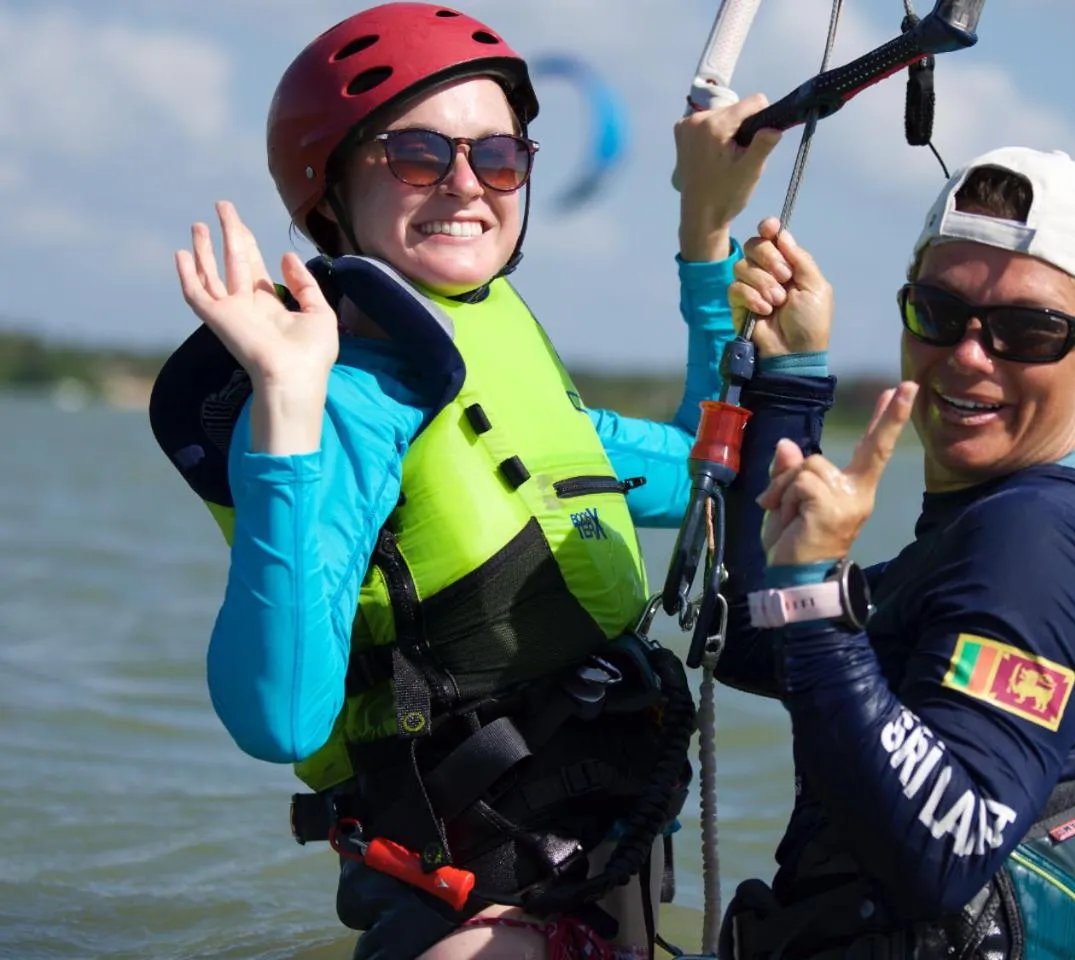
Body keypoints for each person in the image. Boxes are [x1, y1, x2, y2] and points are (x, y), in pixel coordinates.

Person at [146, 4, 782, 958]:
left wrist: (707, 233)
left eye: (498, 158)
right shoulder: (341, 402)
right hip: (475, 919)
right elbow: (277, 718)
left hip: (593, 854)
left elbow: (706, 468)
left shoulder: (491, 330)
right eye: (415, 156)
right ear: (330, 191)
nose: (465, 186)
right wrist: (282, 397)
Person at [707, 146, 1075, 959]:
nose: (969, 354)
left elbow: (943, 852)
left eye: (1029, 330)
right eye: (939, 312)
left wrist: (815, 592)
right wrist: (791, 374)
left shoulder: (1037, 538)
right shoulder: (1009, 530)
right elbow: (750, 637)